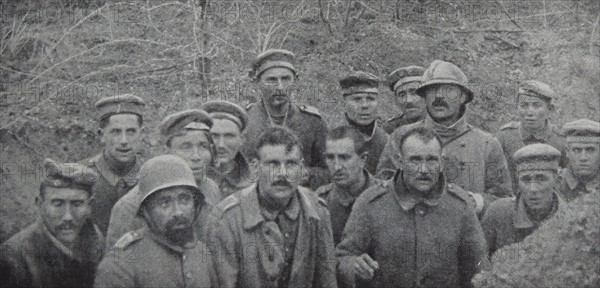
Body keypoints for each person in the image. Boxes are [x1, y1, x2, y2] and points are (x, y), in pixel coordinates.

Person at [336, 127, 488, 288]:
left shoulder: (459, 205)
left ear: (442, 163)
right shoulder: (370, 203)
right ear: (400, 162)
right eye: (415, 160)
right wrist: (354, 266)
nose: (423, 169)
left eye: (431, 160)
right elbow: (343, 258)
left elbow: (479, 267)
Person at [376, 60, 512, 215]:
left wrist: (477, 201)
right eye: (432, 90)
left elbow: (503, 201)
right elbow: (382, 190)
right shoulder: (400, 137)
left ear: (462, 97)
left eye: (448, 90)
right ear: (424, 97)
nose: (439, 96)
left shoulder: (486, 144)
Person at [207, 126, 337, 288]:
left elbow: (327, 280)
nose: (282, 173)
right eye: (273, 164)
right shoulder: (225, 219)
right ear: (255, 167)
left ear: (301, 168)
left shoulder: (317, 211)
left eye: (291, 164)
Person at [95, 155, 217, 288]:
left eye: (184, 199)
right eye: (164, 203)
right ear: (146, 211)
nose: (178, 212)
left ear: (196, 204)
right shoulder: (120, 263)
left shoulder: (202, 252)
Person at [105, 109, 220, 249]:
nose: (196, 156)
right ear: (167, 151)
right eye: (186, 147)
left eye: (203, 146)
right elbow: (117, 264)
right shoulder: (131, 205)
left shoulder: (211, 189)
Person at [0, 159, 104, 288]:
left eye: (77, 204)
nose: (68, 216)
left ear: (90, 205)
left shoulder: (96, 240)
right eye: (58, 204)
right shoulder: (14, 257)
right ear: (40, 204)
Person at [243, 49, 329, 190]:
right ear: (258, 83)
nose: (280, 87)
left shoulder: (313, 122)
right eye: (272, 80)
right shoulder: (245, 122)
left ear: (295, 81)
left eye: (286, 79)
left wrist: (306, 174)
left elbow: (330, 170)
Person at [482, 143, 565, 255]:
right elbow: (481, 263)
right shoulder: (498, 213)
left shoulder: (571, 218)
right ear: (518, 182)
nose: (533, 188)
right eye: (526, 180)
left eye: (541, 179)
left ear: (557, 180)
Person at [80, 94, 145, 234]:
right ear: (101, 135)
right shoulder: (80, 177)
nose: (124, 140)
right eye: (115, 132)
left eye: (131, 132)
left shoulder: (151, 176)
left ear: (141, 134)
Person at [496, 80, 566, 190]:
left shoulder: (560, 139)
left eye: (536, 105)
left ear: (549, 109)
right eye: (524, 105)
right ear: (517, 108)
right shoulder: (505, 136)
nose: (530, 112)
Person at [316, 126, 380, 245]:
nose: (337, 166)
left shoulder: (385, 197)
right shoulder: (321, 201)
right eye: (330, 158)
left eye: (344, 158)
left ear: (363, 159)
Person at [337, 71, 389, 174]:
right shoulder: (331, 139)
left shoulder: (387, 141)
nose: (364, 105)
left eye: (370, 99)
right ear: (344, 104)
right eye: (357, 99)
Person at [202, 100, 254, 200]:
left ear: (242, 140)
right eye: (214, 136)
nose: (221, 145)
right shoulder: (192, 178)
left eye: (229, 136)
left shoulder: (255, 181)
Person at [558, 119, 600, 202]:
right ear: (567, 151)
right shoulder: (556, 184)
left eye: (590, 150)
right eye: (576, 150)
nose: (583, 158)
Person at [381, 65, 426, 134]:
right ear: (396, 100)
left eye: (414, 93)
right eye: (402, 95)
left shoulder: (442, 124)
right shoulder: (390, 129)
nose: (408, 100)